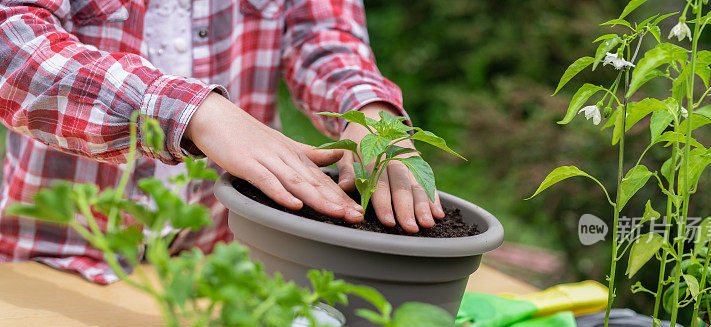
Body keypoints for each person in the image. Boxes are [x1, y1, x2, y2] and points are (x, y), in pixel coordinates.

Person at [0, 0, 443, 284]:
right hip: (56, 264)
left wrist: (369, 111)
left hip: (219, 265)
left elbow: (322, 35)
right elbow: (13, 39)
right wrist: (194, 112)